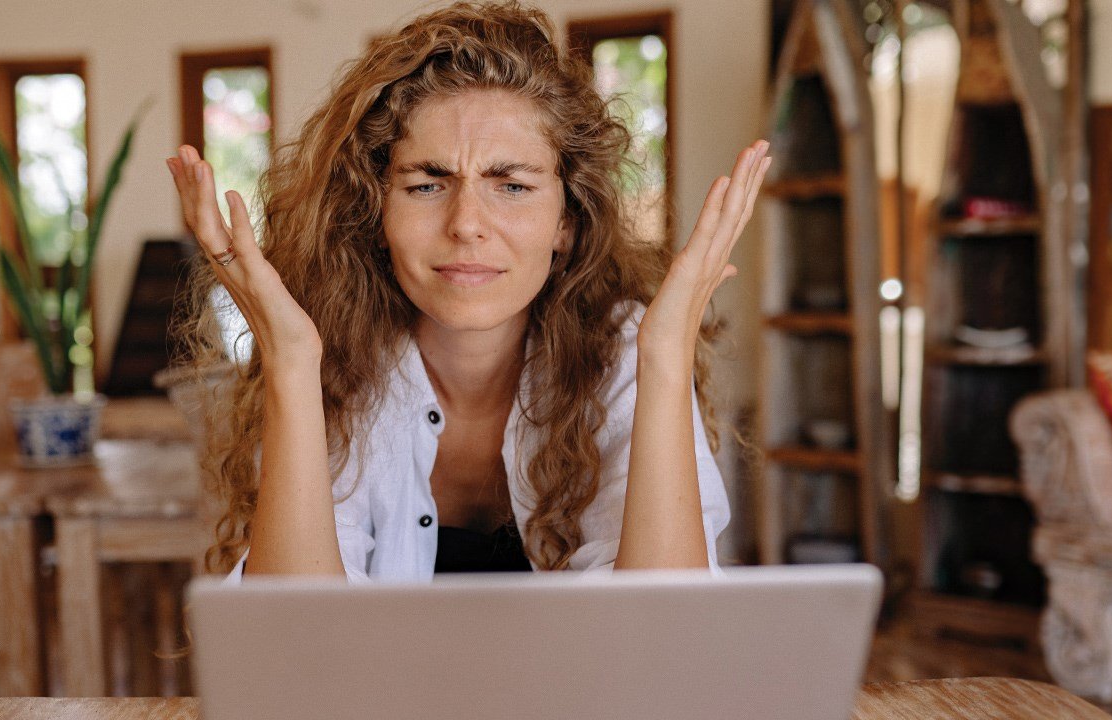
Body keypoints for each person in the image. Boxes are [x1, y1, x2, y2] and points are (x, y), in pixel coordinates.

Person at [167, 0, 769, 582]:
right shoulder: (334, 356)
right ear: (376, 212)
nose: (466, 224)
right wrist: (292, 364)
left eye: (511, 185)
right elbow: (295, 642)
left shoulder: (622, 349)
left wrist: (664, 356)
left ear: (567, 219)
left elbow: (661, 640)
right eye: (427, 185)